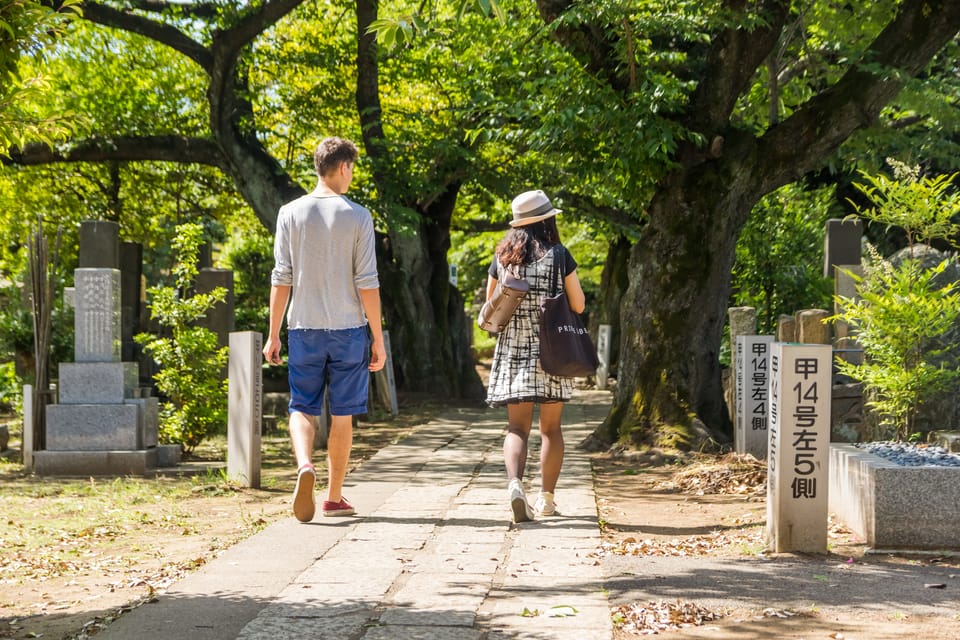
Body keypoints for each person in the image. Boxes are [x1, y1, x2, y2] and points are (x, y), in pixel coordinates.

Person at [263, 136, 386, 523]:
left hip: (303, 327)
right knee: (343, 414)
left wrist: (273, 332)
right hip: (349, 329)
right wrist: (377, 338)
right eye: (352, 169)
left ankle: (304, 466)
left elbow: (282, 276)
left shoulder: (289, 213)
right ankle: (333, 496)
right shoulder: (358, 216)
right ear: (344, 166)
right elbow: (367, 281)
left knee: (302, 405)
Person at [485, 190, 586, 523]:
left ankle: (515, 485)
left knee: (516, 428)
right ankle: (546, 499)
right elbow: (579, 304)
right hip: (553, 350)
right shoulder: (559, 256)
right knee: (551, 429)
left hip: (514, 350)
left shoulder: (503, 258)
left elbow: (492, 306)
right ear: (547, 220)